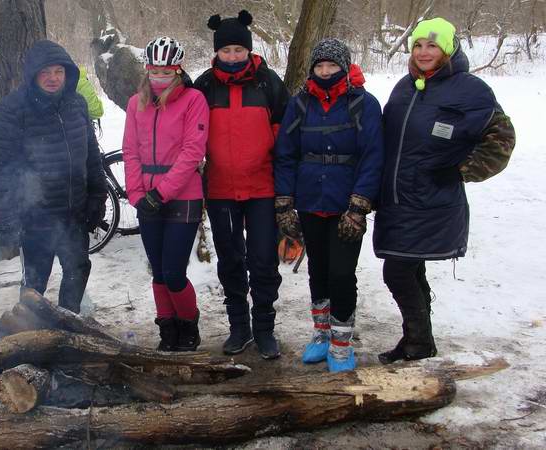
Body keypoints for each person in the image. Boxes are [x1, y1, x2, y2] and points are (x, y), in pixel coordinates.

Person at [373, 18, 515, 364]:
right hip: (396, 199)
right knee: (409, 269)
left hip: (432, 200)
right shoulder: (405, 87)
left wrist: (461, 171)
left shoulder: (470, 90)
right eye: (419, 45)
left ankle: (419, 341)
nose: (424, 52)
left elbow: (502, 140)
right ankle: (417, 340)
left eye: (432, 46)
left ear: (448, 50)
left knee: (398, 271)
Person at [274, 38, 384, 372]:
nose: (325, 72)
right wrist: (284, 204)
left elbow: (373, 156)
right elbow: (285, 154)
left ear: (345, 67)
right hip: (309, 200)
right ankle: (321, 333)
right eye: (319, 66)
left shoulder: (363, 104)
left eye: (332, 66)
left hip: (345, 204)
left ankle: (341, 341)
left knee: (340, 274)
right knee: (317, 271)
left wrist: (359, 207)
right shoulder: (300, 104)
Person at [194, 10, 290, 359]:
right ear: (216, 52)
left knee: (263, 259)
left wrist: (285, 183)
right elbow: (189, 133)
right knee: (231, 259)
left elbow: (285, 134)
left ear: (249, 50)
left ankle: (264, 328)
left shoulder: (268, 83)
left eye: (238, 49)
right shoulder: (204, 86)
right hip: (220, 190)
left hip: (262, 188)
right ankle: (239, 327)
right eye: (226, 50)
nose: (232, 56)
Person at [0, 40, 107, 314]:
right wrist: (6, 219)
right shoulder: (12, 110)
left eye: (59, 72)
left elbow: (91, 155)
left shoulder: (76, 104)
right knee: (34, 284)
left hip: (74, 211)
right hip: (35, 217)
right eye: (46, 72)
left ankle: (68, 325)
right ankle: (28, 337)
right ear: (33, 75)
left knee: (78, 270)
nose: (53, 78)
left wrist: (97, 197)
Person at [122, 36, 208, 351]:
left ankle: (188, 324)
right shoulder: (136, 103)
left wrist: (162, 192)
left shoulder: (193, 99)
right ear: (147, 69)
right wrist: (136, 195)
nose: (160, 76)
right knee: (158, 271)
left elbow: (192, 152)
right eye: (155, 70)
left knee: (173, 271)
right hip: (147, 197)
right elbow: (130, 151)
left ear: (178, 69)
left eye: (166, 71)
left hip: (182, 194)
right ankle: (167, 329)